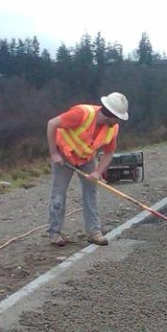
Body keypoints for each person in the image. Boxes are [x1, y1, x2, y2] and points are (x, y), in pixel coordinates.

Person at [46, 92, 129, 247]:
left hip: (87, 158)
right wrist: (54, 154)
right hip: (64, 155)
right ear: (110, 114)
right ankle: (54, 233)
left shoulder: (113, 128)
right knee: (58, 194)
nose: (118, 121)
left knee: (91, 194)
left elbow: (109, 152)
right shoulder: (81, 114)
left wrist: (97, 172)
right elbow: (52, 124)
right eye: (117, 117)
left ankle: (94, 232)